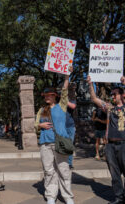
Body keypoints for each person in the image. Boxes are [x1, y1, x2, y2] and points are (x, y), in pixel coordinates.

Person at [87, 75, 125, 204]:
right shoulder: (109, 108)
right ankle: (118, 197)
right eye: (111, 94)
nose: (112, 96)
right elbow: (94, 98)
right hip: (110, 145)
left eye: (115, 94)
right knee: (114, 174)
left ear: (122, 95)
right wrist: (91, 84)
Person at [34, 66, 74, 204]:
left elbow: (64, 91)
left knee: (63, 170)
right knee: (49, 171)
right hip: (45, 144)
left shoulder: (61, 106)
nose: (46, 97)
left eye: (49, 94)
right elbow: (35, 124)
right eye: (45, 95)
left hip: (59, 143)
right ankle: (51, 196)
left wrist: (67, 76)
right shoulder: (41, 110)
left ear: (54, 96)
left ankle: (68, 197)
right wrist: (40, 125)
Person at [66, 101, 76, 169]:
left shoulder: (71, 100)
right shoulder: (56, 102)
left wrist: (64, 100)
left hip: (70, 127)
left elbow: (73, 106)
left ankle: (69, 163)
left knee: (69, 145)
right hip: (60, 127)